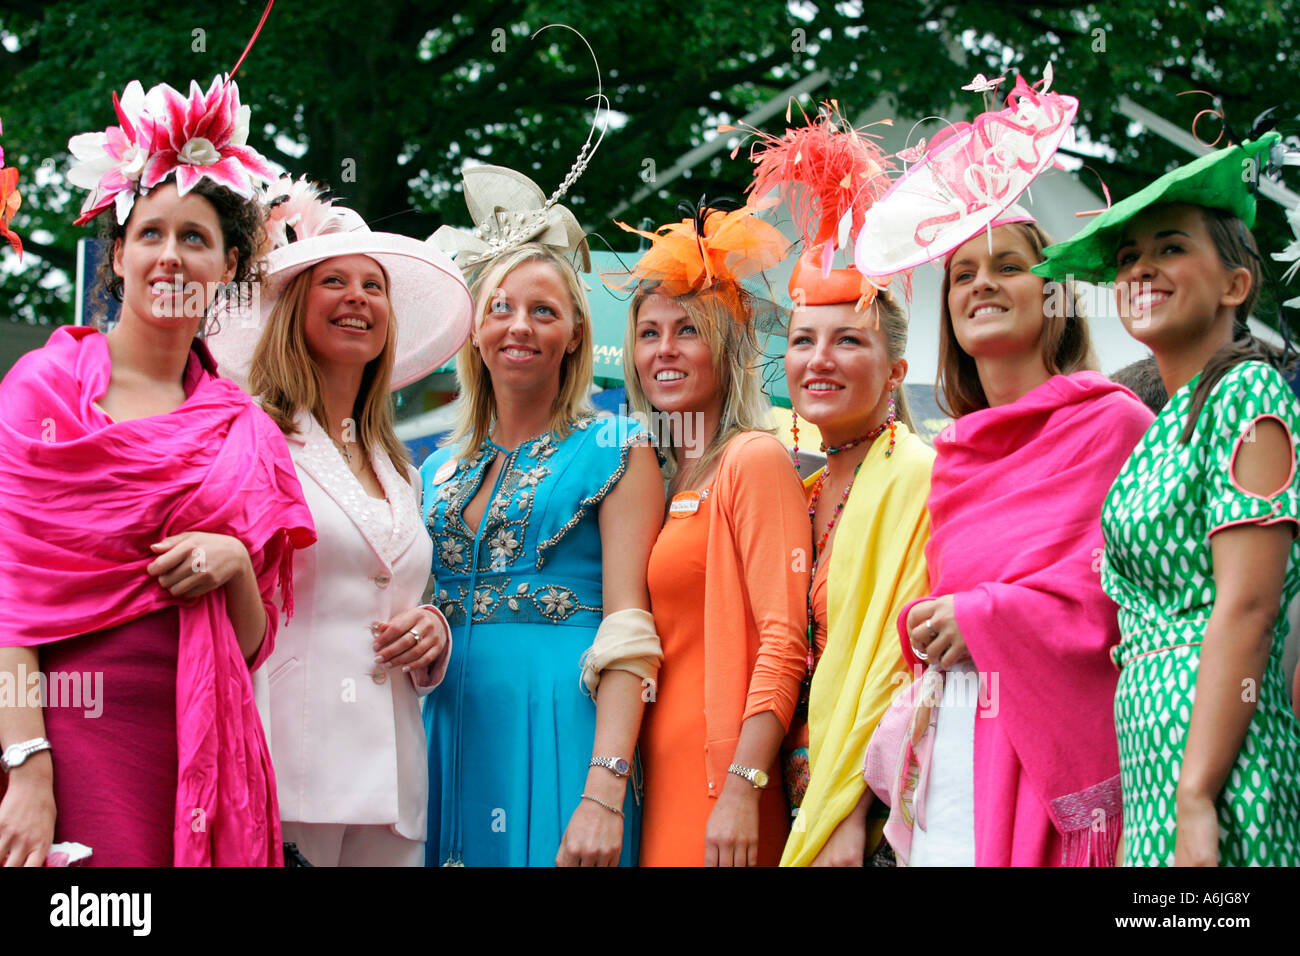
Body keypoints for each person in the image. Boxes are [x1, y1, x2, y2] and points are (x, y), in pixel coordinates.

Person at [0, 76, 315, 867]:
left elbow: (249, 643)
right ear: (118, 251)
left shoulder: (246, 431)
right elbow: (5, 600)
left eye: (196, 238)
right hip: (58, 738)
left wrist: (236, 563)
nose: (171, 256)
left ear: (230, 261)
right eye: (151, 234)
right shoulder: (43, 391)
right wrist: (26, 767)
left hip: (194, 747)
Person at [1035, 132, 1300, 866]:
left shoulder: (1248, 392)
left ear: (1236, 284)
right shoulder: (1159, 427)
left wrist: (1197, 798)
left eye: (1171, 247)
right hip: (1151, 749)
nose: (1142, 267)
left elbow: (1249, 607)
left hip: (1221, 758)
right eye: (1127, 257)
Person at [206, 178, 473, 866]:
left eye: (372, 285)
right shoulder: (249, 438)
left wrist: (432, 631)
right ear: (294, 308)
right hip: (289, 766)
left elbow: (400, 587)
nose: (357, 297)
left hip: (393, 777)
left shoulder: (402, 469)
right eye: (334, 281)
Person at [880, 214, 1152, 865]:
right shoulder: (954, 454)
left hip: (1051, 776)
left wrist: (986, 616)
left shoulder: (1116, 423)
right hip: (950, 771)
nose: (982, 285)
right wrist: (933, 621)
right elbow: (945, 601)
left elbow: (1133, 607)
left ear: (1055, 292)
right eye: (962, 275)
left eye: (1007, 267)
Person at [422, 164, 664, 866]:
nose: (518, 326)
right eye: (500, 308)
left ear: (573, 336)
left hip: (566, 733)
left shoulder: (618, 447)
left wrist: (604, 791)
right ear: (474, 329)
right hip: (448, 730)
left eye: (544, 311)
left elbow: (630, 629)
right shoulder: (436, 472)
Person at [738, 105, 934, 866]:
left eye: (848, 340)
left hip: (875, 806)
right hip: (787, 793)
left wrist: (854, 807)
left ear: (894, 373)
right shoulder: (804, 492)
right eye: (802, 341)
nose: (819, 359)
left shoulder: (917, 475)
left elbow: (903, 661)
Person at [618, 201, 810, 866]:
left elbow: (785, 641)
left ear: (726, 349)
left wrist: (742, 784)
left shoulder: (752, 459)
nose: (664, 349)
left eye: (687, 330)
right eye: (648, 333)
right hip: (654, 785)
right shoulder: (656, 476)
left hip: (722, 789)